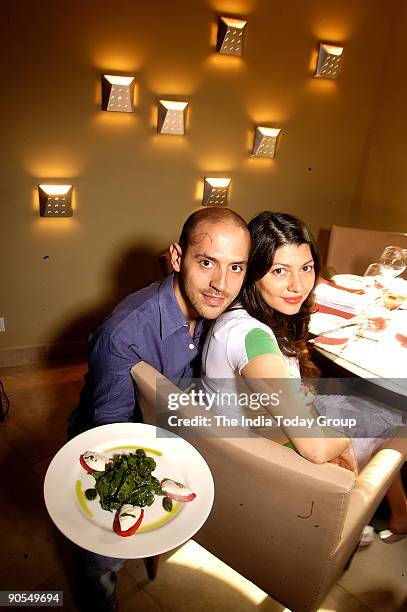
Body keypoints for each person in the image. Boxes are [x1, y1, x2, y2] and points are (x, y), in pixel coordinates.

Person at [69, 206, 251, 611]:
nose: (221, 284)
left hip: (171, 429)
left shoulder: (221, 310)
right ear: (176, 257)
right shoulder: (124, 332)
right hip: (109, 435)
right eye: (207, 263)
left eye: (236, 267)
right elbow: (110, 431)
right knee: (103, 547)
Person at [202, 211, 407, 539]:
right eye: (279, 271)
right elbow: (312, 447)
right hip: (262, 461)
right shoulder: (252, 338)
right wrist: (342, 442)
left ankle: (392, 514)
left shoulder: (242, 314)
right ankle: (368, 515)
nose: (298, 286)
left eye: (306, 268)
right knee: (399, 424)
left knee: (377, 413)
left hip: (255, 437)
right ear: (253, 272)